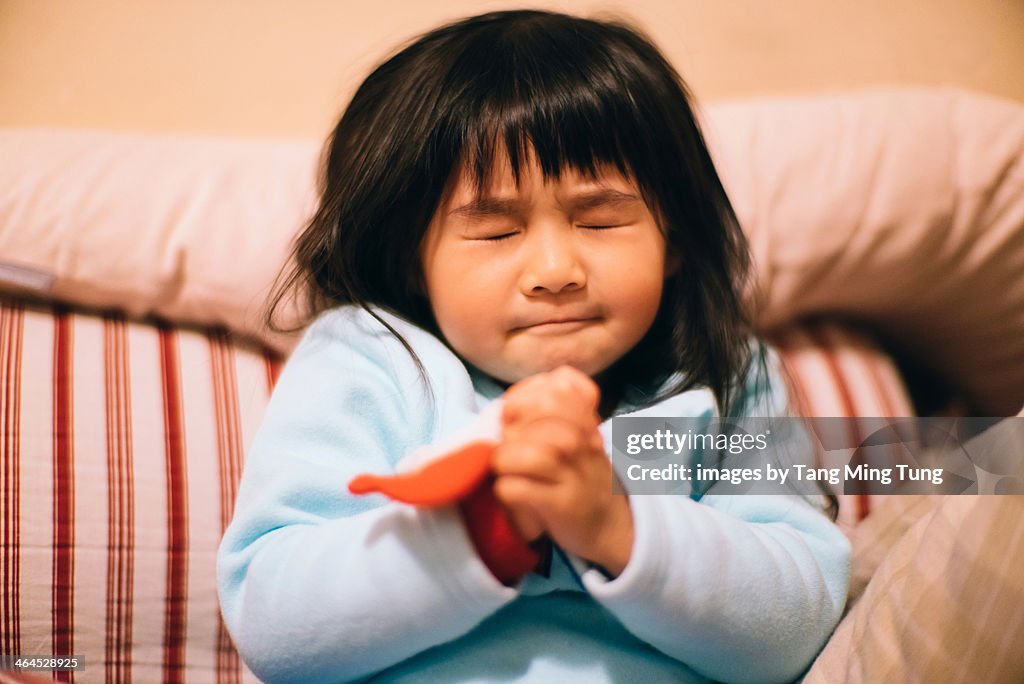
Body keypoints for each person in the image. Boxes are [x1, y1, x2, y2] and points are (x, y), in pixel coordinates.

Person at [217, 10, 850, 683]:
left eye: (600, 218)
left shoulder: (725, 373)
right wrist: (491, 527)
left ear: (674, 239)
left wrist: (616, 528)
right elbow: (273, 619)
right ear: (409, 261)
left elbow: (797, 622)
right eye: (495, 233)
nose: (555, 270)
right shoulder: (370, 356)